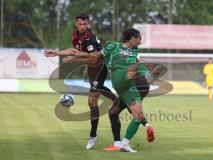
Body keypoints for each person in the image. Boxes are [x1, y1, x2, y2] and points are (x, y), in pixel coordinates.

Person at [44, 14, 155, 151]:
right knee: (115, 105)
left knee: (93, 102)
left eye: (85, 24)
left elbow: (94, 59)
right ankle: (142, 125)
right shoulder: (76, 34)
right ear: (76, 24)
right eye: (80, 24)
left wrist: (74, 59)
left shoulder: (90, 39)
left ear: (88, 24)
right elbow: (74, 50)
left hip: (99, 68)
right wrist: (57, 53)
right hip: (96, 71)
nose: (83, 27)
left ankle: (94, 136)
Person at [63, 28, 163, 152]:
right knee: (136, 66)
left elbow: (137, 62)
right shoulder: (113, 46)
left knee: (138, 116)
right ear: (132, 38)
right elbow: (95, 56)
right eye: (139, 39)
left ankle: (124, 144)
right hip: (118, 77)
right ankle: (149, 73)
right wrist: (76, 56)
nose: (140, 42)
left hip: (129, 85)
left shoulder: (135, 50)